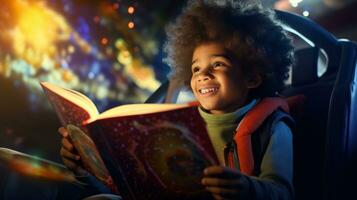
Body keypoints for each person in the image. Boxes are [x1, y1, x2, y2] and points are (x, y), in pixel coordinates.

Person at [60, 0, 295, 199]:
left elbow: (282, 192)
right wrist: (85, 168)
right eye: (195, 69)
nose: (203, 75)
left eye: (218, 64)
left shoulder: (272, 126)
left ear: (252, 76)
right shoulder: (179, 123)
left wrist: (245, 188)